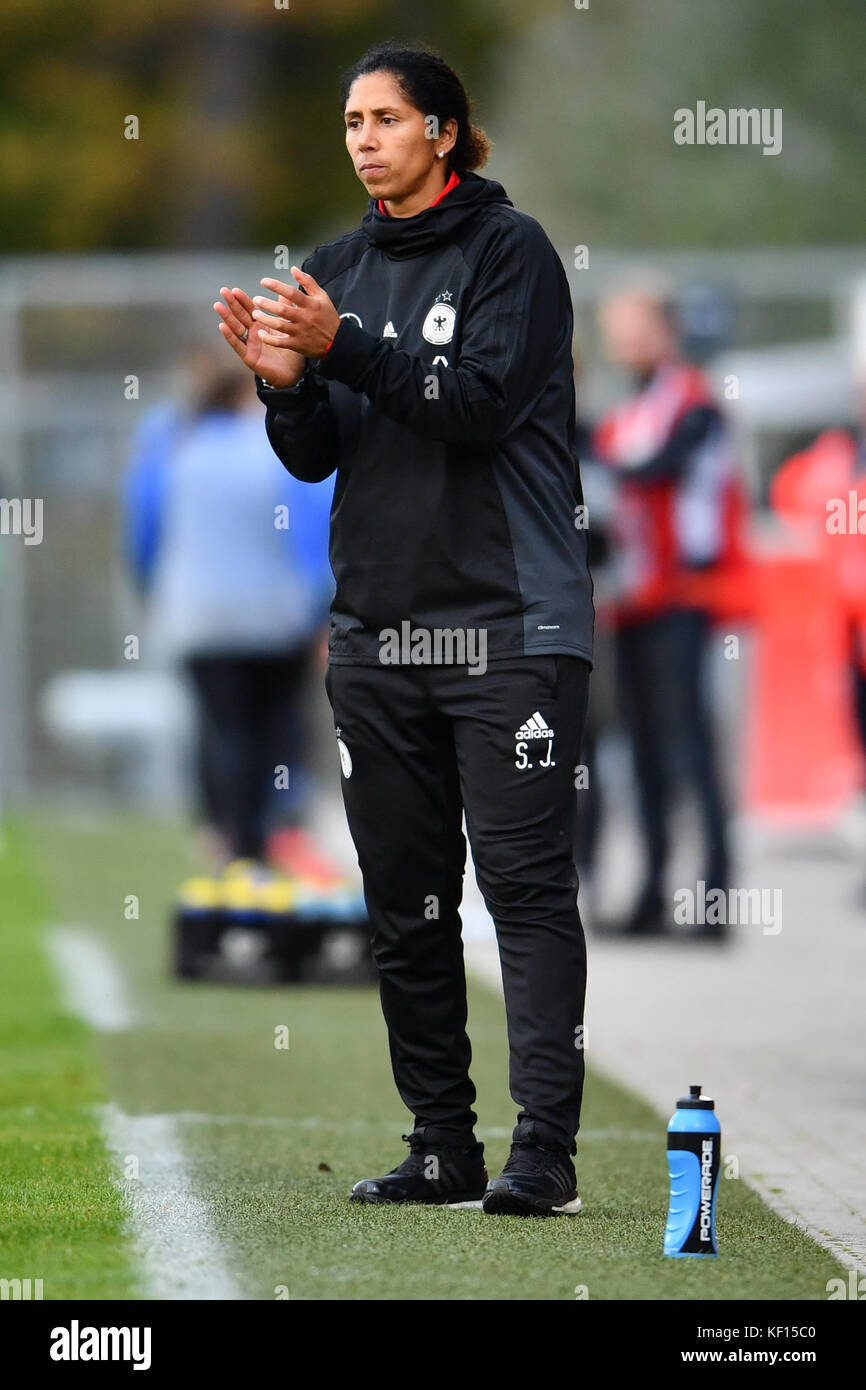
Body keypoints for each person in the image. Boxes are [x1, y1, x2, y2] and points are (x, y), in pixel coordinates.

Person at [214, 41, 595, 1217]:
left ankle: (544, 1150)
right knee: (405, 901)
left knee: (522, 890)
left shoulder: (511, 252)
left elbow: (477, 406)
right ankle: (442, 1145)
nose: (363, 137)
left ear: (442, 131)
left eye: (384, 117)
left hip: (509, 629)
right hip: (378, 636)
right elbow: (320, 452)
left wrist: (339, 349)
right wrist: (285, 384)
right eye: (348, 121)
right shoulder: (332, 271)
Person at [122, 349, 336, 877]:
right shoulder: (273, 448)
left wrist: (151, 591)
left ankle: (229, 842)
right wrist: (322, 609)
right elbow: (313, 530)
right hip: (275, 617)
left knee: (224, 730)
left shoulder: (170, 449)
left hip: (201, 619)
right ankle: (271, 836)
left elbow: (145, 530)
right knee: (278, 731)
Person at [591, 285, 743, 938]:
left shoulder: (693, 402)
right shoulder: (626, 411)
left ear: (665, 330)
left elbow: (655, 470)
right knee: (646, 748)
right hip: (633, 602)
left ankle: (714, 898)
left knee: (691, 748)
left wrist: (604, 468)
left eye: (633, 327)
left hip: (684, 597)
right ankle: (653, 891)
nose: (622, 341)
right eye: (615, 328)